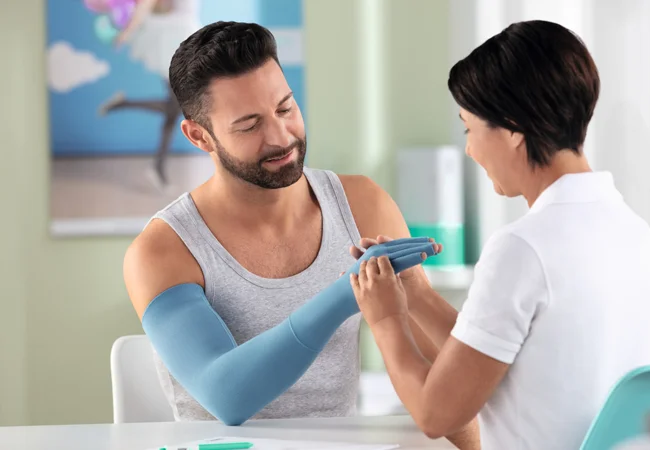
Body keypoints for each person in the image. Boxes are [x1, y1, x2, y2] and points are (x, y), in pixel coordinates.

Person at [122, 21, 479, 449]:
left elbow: (440, 376)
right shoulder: (165, 248)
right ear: (200, 136)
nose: (279, 137)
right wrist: (344, 295)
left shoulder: (362, 205)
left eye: (285, 108)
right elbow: (226, 395)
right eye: (249, 125)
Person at [351, 20, 650, 449]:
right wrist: (416, 295)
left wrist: (386, 318)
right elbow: (494, 357)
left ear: (513, 127)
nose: (469, 149)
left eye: (469, 128)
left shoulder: (523, 248)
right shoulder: (635, 233)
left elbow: (435, 412)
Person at [99, 0, 201, 191]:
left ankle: (158, 168)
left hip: (185, 38)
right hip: (173, 44)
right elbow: (145, 6)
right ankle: (157, 168)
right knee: (176, 107)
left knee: (173, 110)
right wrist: (125, 34)